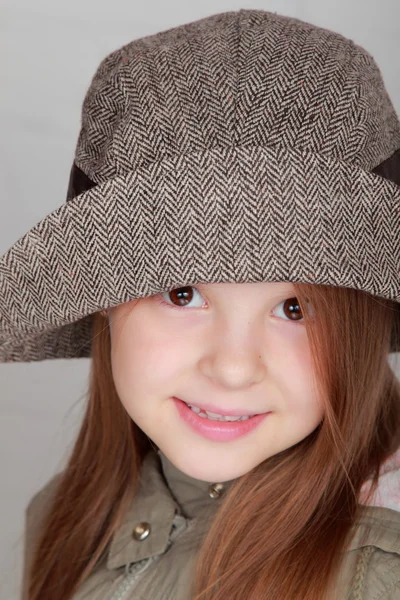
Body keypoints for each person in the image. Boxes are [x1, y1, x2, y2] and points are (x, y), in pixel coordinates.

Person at [2, 8, 400, 600]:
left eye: (295, 308)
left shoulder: (376, 572)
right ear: (102, 300)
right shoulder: (66, 517)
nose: (234, 367)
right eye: (183, 293)